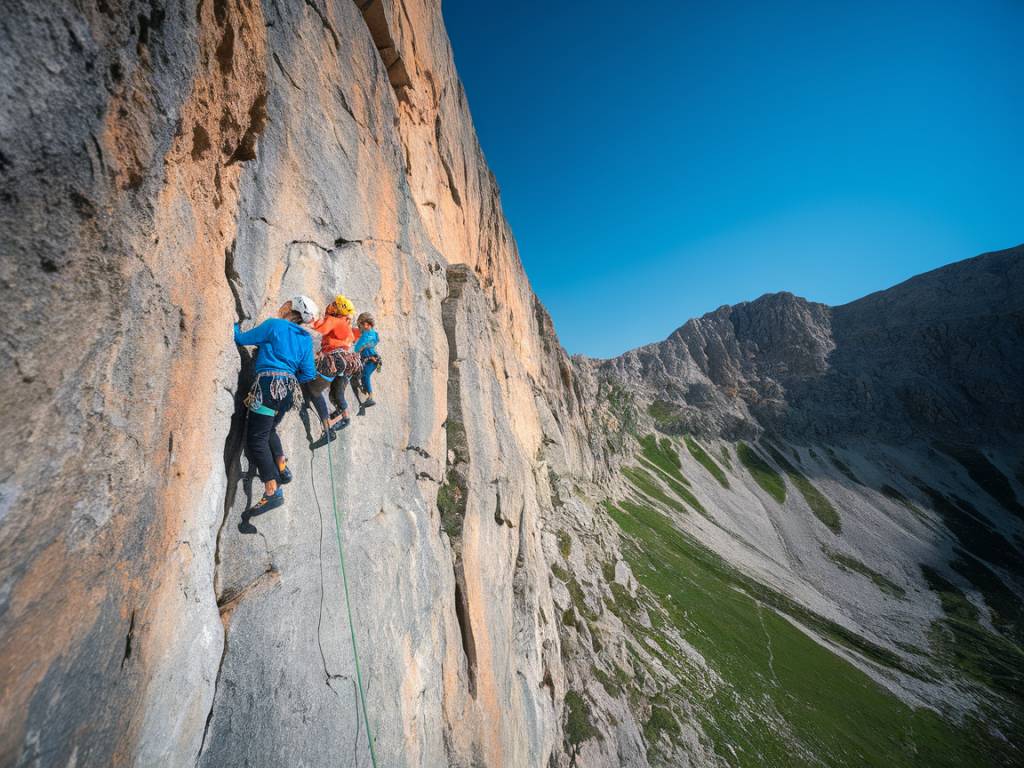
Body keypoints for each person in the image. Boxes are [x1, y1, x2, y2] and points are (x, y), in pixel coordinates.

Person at [234, 296, 318, 513]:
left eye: (288, 303)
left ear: (292, 309)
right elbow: (309, 372)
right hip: (288, 390)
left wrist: (232, 323)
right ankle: (281, 464)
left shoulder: (275, 325)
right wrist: (287, 378)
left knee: (256, 439)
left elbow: (242, 339)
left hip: (268, 386)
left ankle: (272, 490)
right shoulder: (306, 339)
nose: (283, 305)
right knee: (269, 429)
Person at [308, 295, 360, 432]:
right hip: (346, 363)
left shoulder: (334, 321)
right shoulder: (347, 326)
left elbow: (321, 329)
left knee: (314, 388)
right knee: (337, 392)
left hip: (334, 360)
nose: (331, 306)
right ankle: (344, 416)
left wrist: (307, 318)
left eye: (334, 304)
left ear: (338, 309)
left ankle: (329, 422)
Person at [352, 312, 380, 408]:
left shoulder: (367, 336)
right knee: (363, 374)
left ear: (367, 324)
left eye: (361, 324)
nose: (360, 326)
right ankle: (365, 390)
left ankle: (370, 397)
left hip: (371, 359)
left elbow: (357, 349)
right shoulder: (371, 334)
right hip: (371, 359)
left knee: (365, 375)